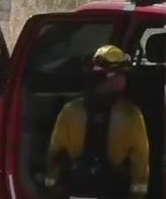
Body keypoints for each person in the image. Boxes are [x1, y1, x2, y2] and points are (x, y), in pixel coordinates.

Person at [45, 45, 150, 199]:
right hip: (113, 191)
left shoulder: (70, 112)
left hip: (76, 190)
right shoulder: (131, 115)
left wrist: (53, 189)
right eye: (122, 74)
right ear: (113, 77)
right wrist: (137, 195)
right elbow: (140, 164)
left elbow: (55, 156)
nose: (125, 79)